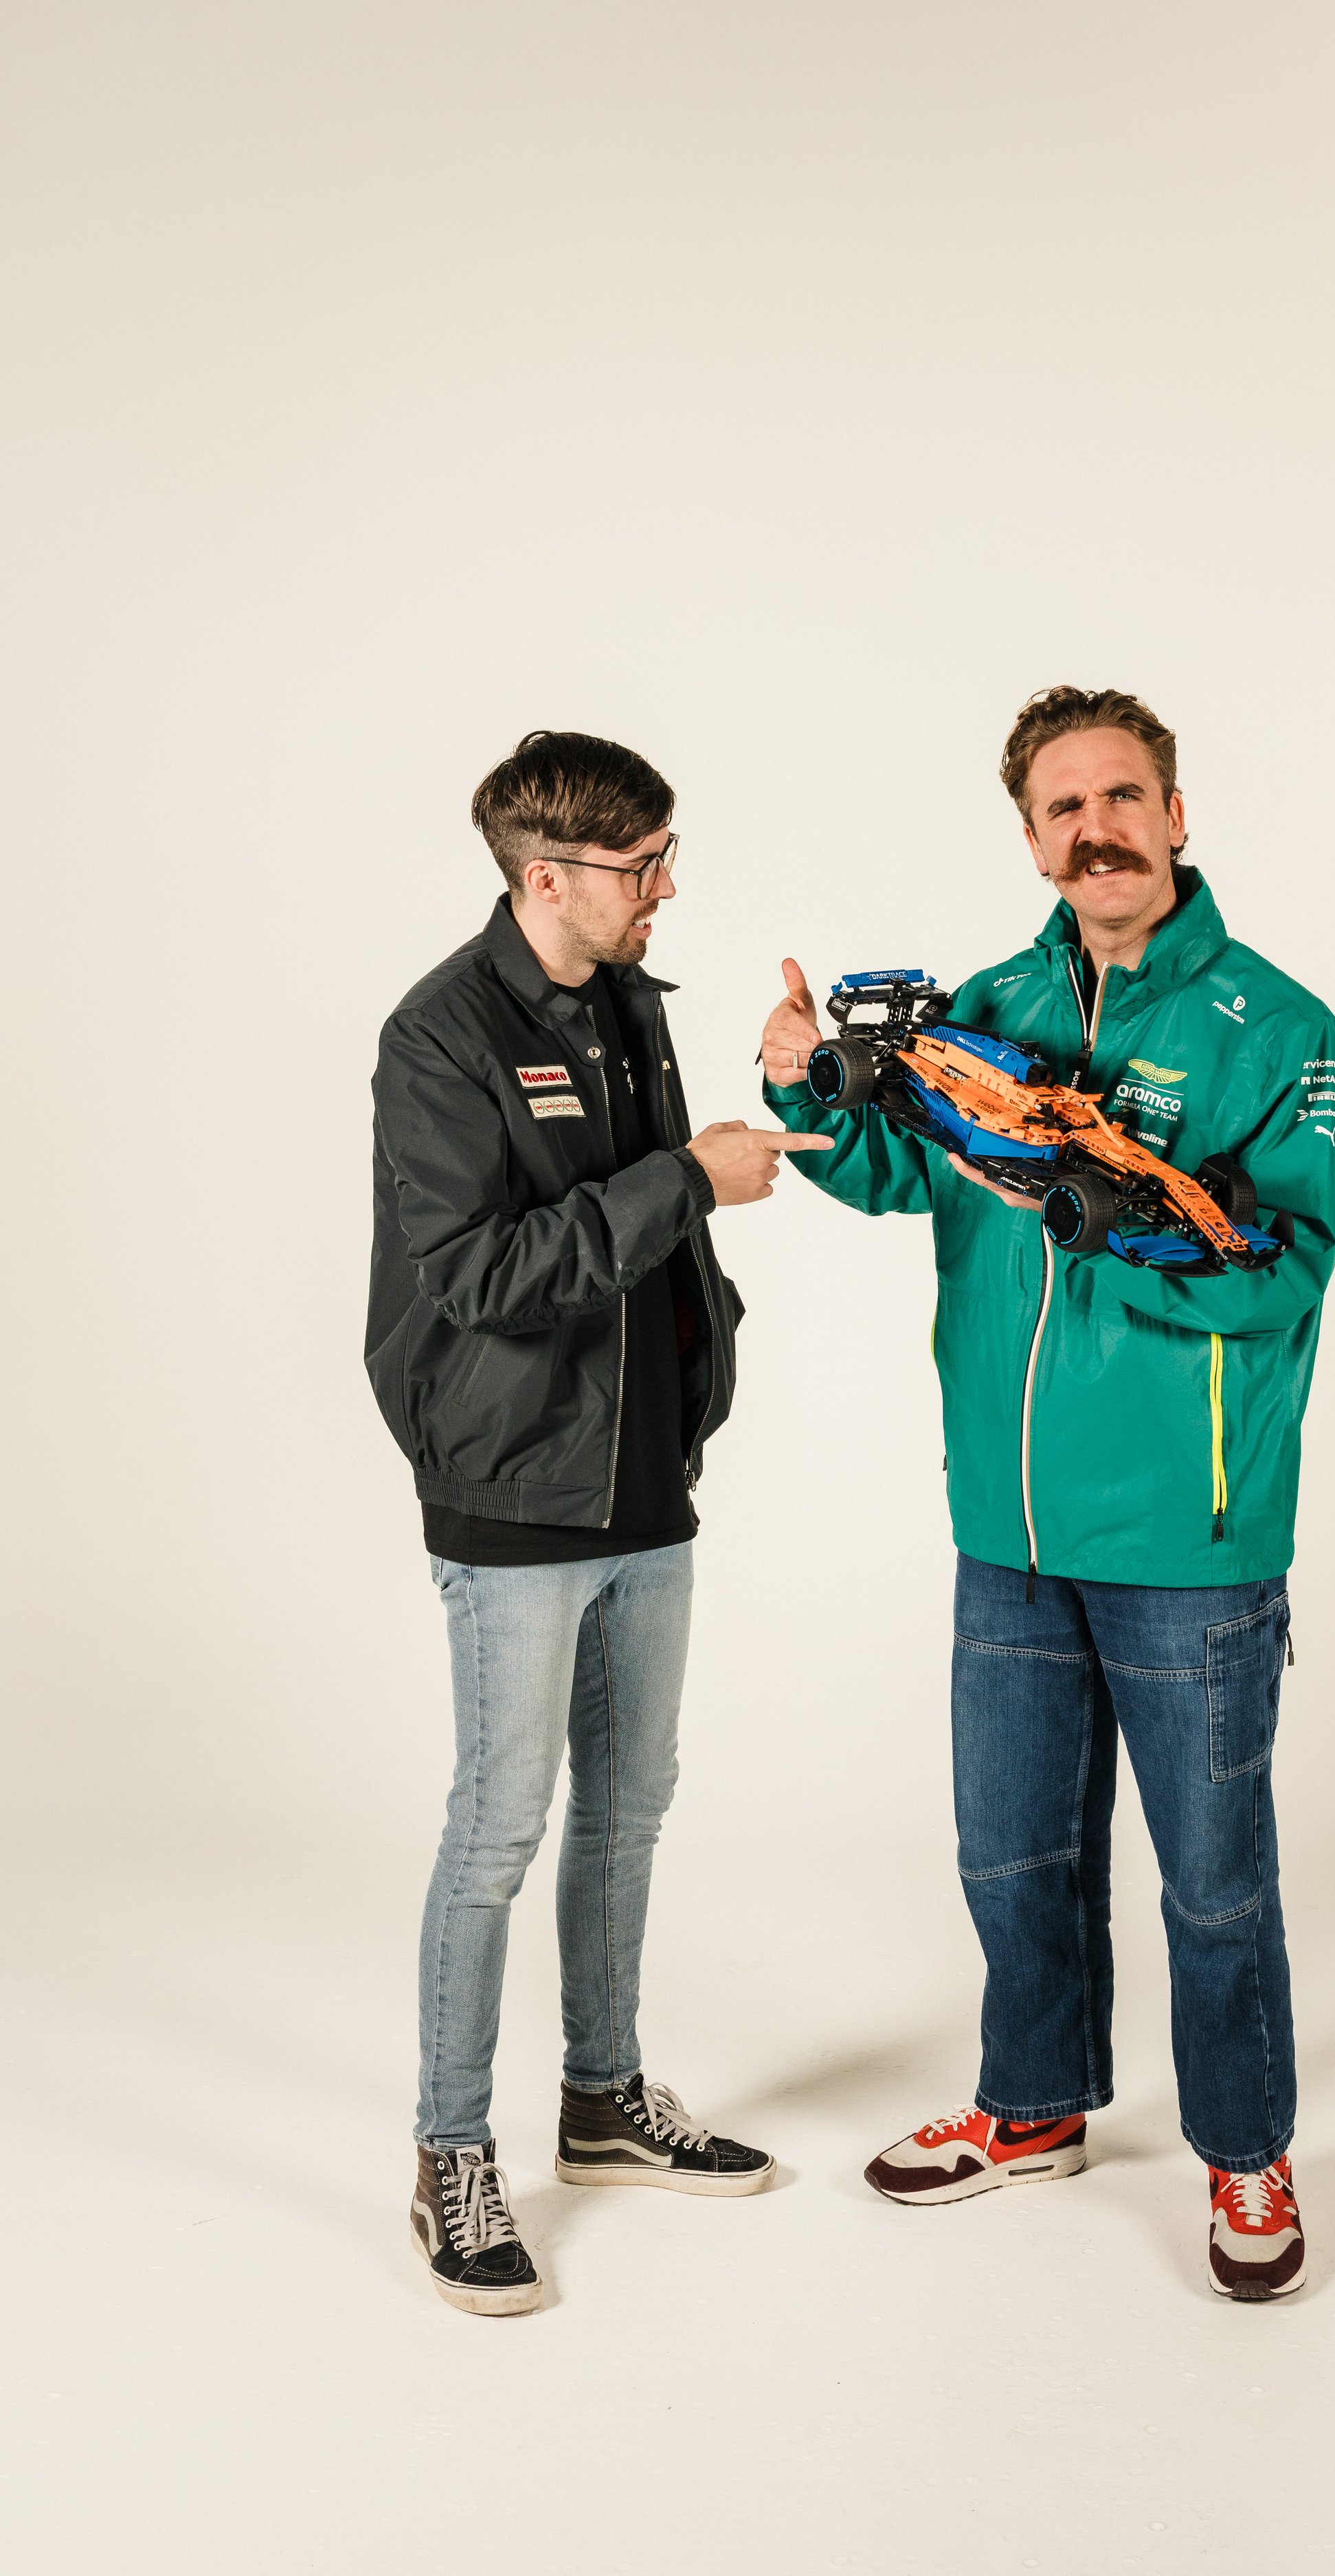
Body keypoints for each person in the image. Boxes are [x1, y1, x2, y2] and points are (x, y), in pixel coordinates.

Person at [759, 686, 1335, 2299]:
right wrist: (823, 1087)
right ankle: (1033, 2107)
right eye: (1059, 808)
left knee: (1211, 1881)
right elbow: (900, 1177)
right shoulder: (990, 1007)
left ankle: (1244, 2153)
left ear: (1174, 816)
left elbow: (1277, 1274)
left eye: (1121, 798)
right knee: (1010, 1850)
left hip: (1187, 1530)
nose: (1092, 829)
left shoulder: (1279, 1031)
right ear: (1028, 835)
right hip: (1002, 1523)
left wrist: (1115, 1205)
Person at [369, 728, 831, 2315]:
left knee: (631, 1809)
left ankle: (601, 2097)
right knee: (497, 1831)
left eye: (666, 856)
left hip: (644, 1480)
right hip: (508, 1492)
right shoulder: (439, 1037)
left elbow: (656, 1211)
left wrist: (783, 1101)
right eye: (642, 867)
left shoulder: (631, 1003)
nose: (667, 886)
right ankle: (447, 2152)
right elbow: (479, 1280)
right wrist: (692, 1189)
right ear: (544, 874)